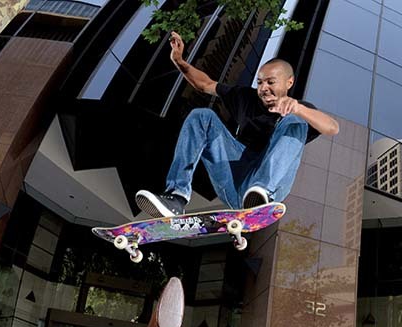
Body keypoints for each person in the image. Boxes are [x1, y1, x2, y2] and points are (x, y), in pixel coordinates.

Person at [135, 32, 340, 217]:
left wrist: (298, 108)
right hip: (234, 183)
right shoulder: (244, 97)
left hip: (271, 190)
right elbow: (205, 84)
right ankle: (176, 198)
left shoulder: (300, 109)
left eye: (271, 82)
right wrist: (179, 61)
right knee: (201, 115)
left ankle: (261, 193)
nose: (263, 88)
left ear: (289, 82)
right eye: (260, 82)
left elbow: (332, 128)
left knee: (296, 121)